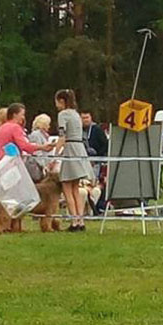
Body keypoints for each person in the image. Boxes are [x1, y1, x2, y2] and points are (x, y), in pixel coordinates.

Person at [54, 89, 94, 231]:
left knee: (67, 187)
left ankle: (74, 221)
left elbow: (62, 136)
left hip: (70, 149)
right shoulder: (76, 114)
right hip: (79, 148)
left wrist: (55, 154)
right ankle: (81, 220)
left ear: (62, 101)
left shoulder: (63, 115)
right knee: (75, 188)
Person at [80, 109, 109, 181]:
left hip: (96, 162)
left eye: (87, 117)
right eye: (83, 118)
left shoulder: (97, 130)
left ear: (91, 118)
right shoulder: (78, 130)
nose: (85, 120)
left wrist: (96, 159)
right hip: (82, 161)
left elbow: (105, 145)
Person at [27, 113, 52, 182]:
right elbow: (37, 151)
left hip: (42, 166)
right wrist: (44, 165)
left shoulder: (44, 135)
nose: (49, 126)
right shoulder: (36, 134)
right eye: (48, 124)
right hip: (37, 166)